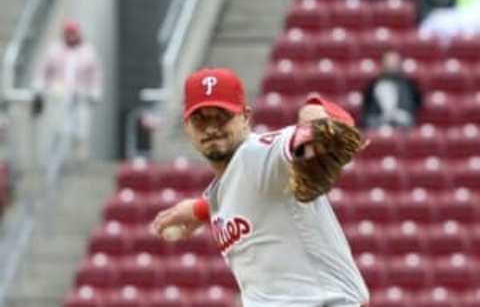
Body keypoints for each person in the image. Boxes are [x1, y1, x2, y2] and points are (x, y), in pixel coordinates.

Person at [150, 68, 370, 307]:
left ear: (245, 117)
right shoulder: (227, 186)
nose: (211, 128)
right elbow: (247, 197)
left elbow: (311, 137)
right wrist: (200, 210)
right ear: (187, 127)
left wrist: (313, 121)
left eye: (221, 116)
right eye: (200, 119)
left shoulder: (259, 153)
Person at [34, 20, 102, 175]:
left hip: (80, 96)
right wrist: (39, 89)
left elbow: (95, 74)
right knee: (58, 129)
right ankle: (55, 161)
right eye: (68, 34)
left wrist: (95, 92)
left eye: (74, 34)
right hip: (59, 96)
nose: (71, 37)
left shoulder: (88, 51)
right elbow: (43, 71)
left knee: (81, 130)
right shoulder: (54, 50)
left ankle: (79, 161)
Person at [360, 51, 422, 129]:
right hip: (378, 122)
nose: (391, 66)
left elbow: (416, 106)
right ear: (383, 64)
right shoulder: (373, 85)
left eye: (394, 63)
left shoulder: (409, 85)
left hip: (402, 124)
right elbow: (367, 108)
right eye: (389, 63)